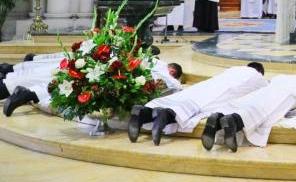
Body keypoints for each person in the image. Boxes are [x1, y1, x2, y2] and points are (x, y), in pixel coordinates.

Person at [128, 62, 267, 145]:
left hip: (206, 86)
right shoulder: (259, 78)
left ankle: (144, 113)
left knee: (185, 97)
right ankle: (165, 115)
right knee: (199, 107)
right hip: (224, 93)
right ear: (260, 72)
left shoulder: (233, 69)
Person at [2, 55, 182, 117]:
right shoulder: (168, 75)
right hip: (118, 77)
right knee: (74, 85)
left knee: (70, 83)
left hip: (116, 73)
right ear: (172, 70)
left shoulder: (154, 61)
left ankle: (26, 92)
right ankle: (27, 93)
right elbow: (175, 87)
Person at [201, 75, 296, 152]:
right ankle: (234, 120)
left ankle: (217, 118)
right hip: (285, 95)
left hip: (264, 92)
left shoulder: (279, 77)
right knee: (264, 112)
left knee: (247, 103)